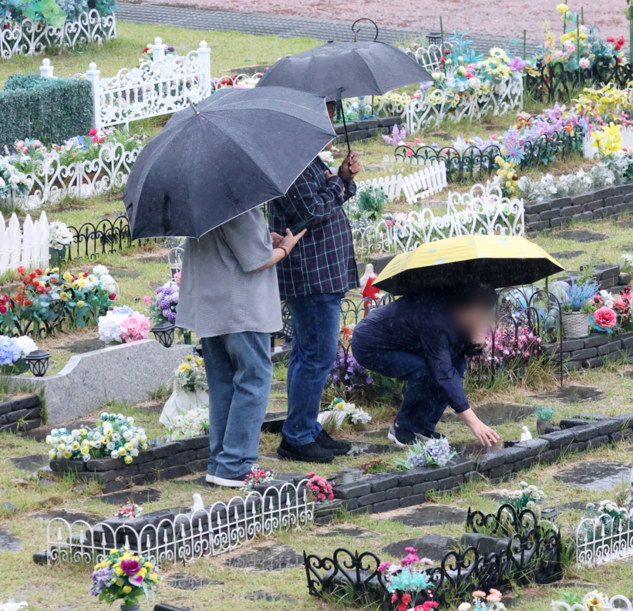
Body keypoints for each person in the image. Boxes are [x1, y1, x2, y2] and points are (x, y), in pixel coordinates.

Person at [178, 209, 305, 487]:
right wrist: (285, 247)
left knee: (223, 385)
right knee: (254, 379)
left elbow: (233, 244)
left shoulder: (203, 202)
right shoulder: (237, 204)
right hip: (241, 308)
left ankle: (220, 463)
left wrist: (263, 238)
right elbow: (257, 260)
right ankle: (235, 464)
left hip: (212, 306)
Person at [268, 144, 362, 464]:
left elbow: (326, 201)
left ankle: (305, 426)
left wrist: (341, 179)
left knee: (306, 354)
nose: (331, 121)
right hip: (312, 275)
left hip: (323, 272)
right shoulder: (289, 162)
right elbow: (311, 210)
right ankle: (297, 436)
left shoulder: (305, 157)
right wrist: (336, 183)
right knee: (317, 356)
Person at [351, 282, 502, 447]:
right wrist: (474, 422)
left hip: (407, 342)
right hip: (371, 344)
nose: (479, 320)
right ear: (461, 308)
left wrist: (476, 344)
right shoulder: (435, 317)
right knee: (423, 371)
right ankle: (403, 427)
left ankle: (423, 426)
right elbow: (444, 372)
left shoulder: (456, 312)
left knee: (458, 363)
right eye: (478, 315)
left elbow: (457, 348)